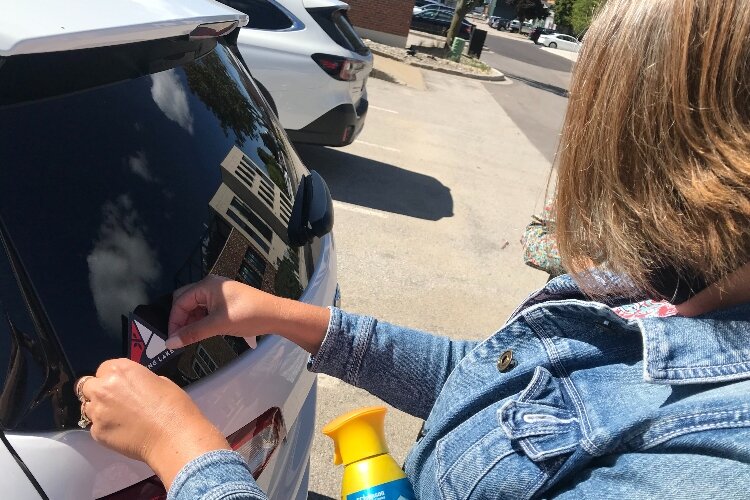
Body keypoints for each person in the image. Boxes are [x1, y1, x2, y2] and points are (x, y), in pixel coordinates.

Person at [75, 0, 750, 498]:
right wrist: (285, 316)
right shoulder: (665, 285)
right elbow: (496, 381)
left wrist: (183, 449)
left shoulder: (710, 466)